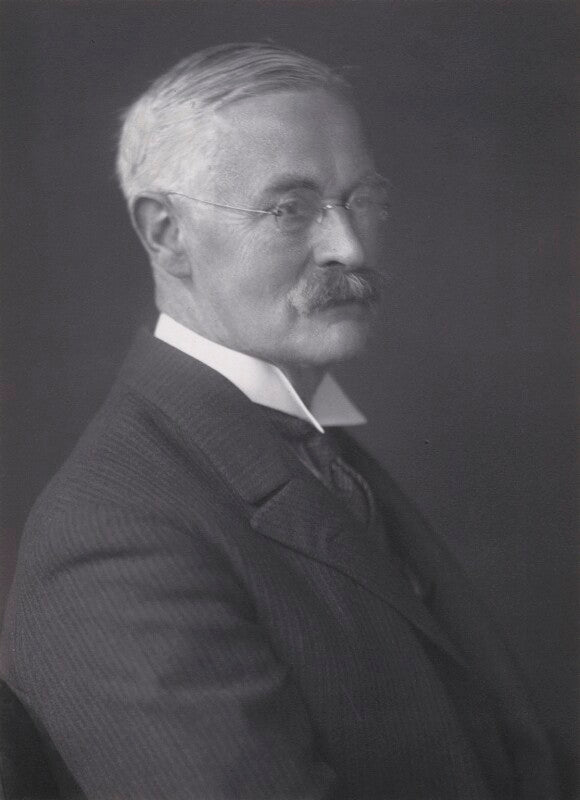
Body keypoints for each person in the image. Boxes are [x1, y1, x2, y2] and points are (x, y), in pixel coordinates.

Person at [1, 42, 558, 799]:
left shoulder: (316, 436)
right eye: (290, 209)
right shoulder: (113, 536)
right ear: (166, 233)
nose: (350, 247)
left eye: (362, 199)